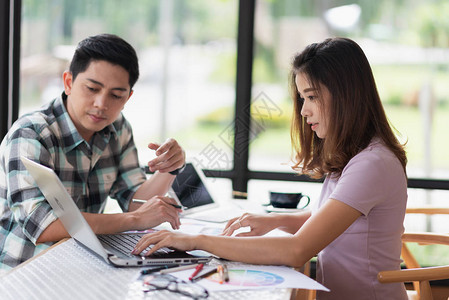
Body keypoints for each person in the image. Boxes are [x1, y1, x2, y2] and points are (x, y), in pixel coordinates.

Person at [132, 37, 408, 300]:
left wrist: (195, 241)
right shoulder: (358, 155)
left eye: (311, 97)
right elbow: (333, 218)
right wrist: (275, 220)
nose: (303, 111)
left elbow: (297, 251)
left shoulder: (372, 164)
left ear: (346, 94)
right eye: (302, 99)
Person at [0, 34, 185, 270]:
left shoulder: (118, 128)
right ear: (68, 82)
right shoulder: (31, 133)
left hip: (82, 264)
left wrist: (170, 168)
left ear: (128, 97)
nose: (101, 103)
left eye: (116, 95)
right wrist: (134, 221)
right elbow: (41, 224)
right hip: (22, 272)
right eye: (92, 88)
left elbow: (137, 203)